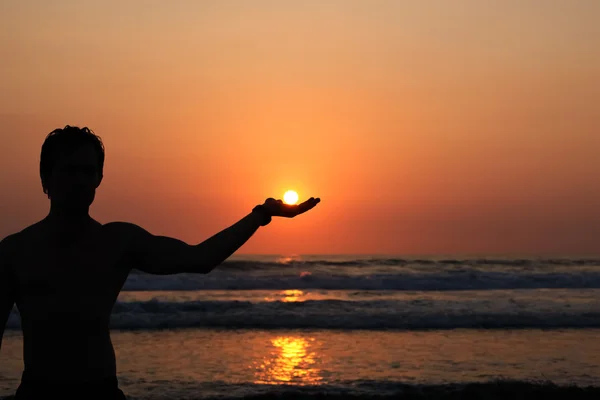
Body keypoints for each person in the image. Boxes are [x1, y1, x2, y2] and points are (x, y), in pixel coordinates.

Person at [0, 125, 321, 399]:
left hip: (101, 392)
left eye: (88, 172)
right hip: (38, 394)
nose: (80, 181)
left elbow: (200, 258)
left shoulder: (117, 242)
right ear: (46, 177)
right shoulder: (15, 251)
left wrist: (262, 215)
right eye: (69, 170)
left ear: (99, 178)